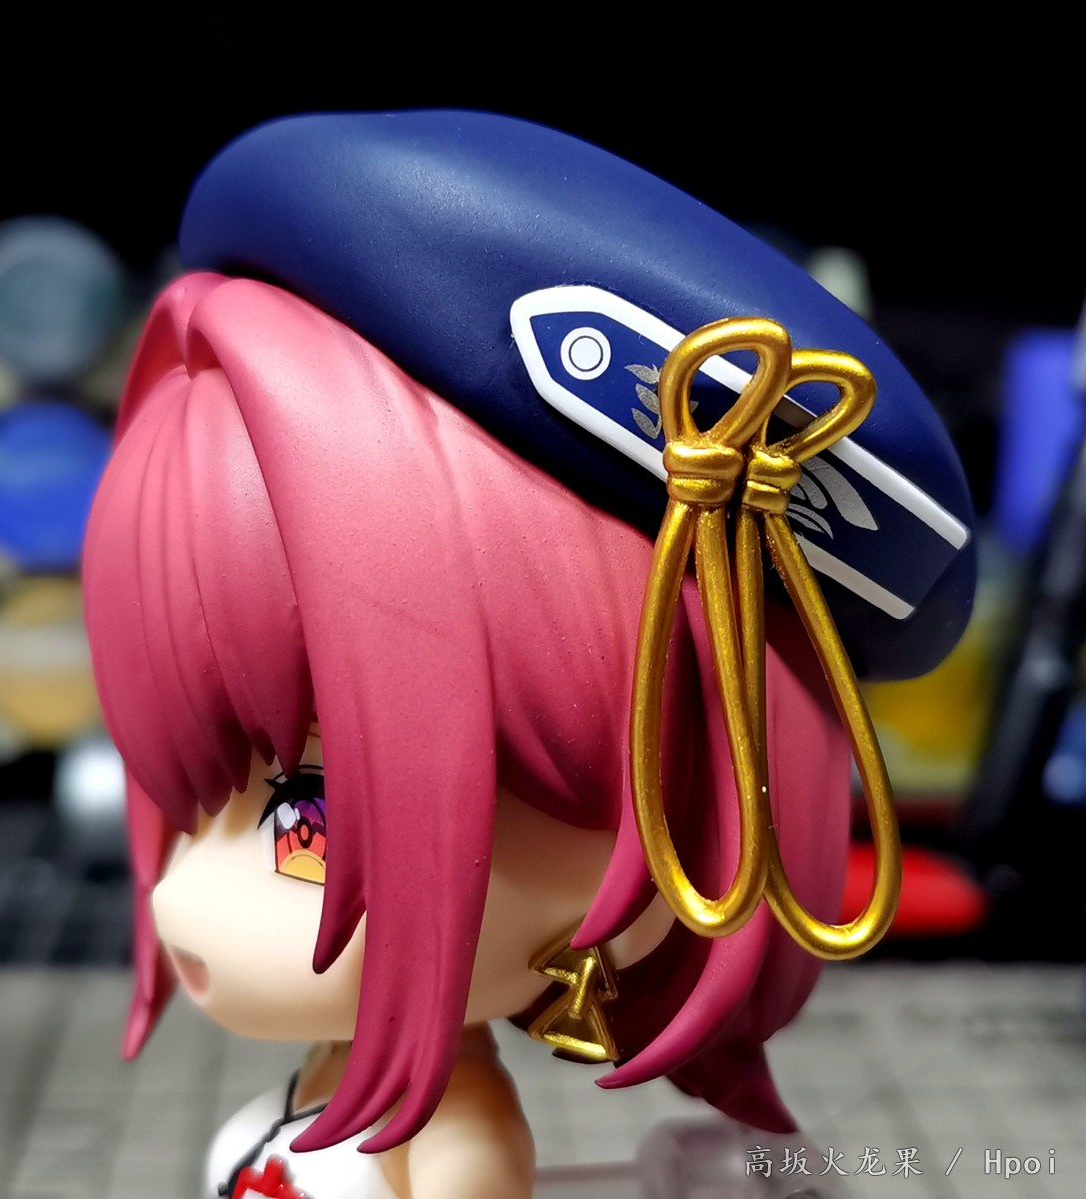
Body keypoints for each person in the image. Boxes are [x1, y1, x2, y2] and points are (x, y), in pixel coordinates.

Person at [82, 112, 975, 1199]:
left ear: (669, 841)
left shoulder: (451, 1143)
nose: (180, 899)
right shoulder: (338, 1080)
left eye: (303, 817)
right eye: (180, 793)